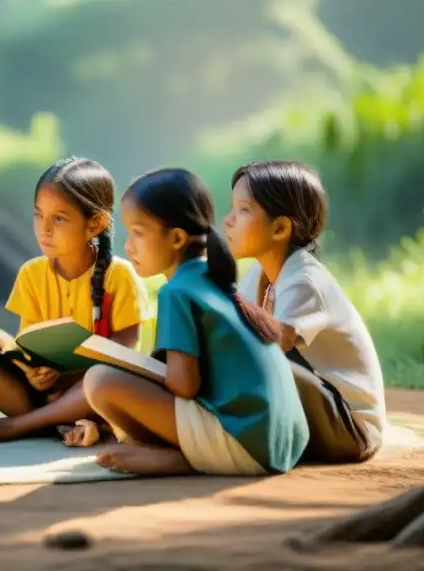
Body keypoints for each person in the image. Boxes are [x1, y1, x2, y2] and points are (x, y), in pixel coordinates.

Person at [83, 167, 309, 477]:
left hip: (243, 445)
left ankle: (178, 457)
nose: (128, 246)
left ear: (176, 238)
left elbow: (184, 385)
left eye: (138, 232)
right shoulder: (213, 280)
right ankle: (183, 451)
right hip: (283, 443)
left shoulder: (177, 292)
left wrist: (141, 372)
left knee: (100, 381)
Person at [0, 157, 149, 446]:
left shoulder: (119, 274)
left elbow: (127, 345)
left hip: (93, 387)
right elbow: (30, 342)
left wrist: (73, 372)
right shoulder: (31, 274)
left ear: (95, 223)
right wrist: (35, 373)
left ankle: (21, 426)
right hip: (47, 390)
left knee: (103, 376)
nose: (44, 229)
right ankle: (55, 423)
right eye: (38, 215)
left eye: (59, 218)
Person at [223, 159, 386, 463]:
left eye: (243, 210)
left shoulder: (305, 279)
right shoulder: (258, 276)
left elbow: (275, 342)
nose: (228, 220)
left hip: (350, 427)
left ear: (280, 227)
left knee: (262, 365)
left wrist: (224, 293)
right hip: (314, 416)